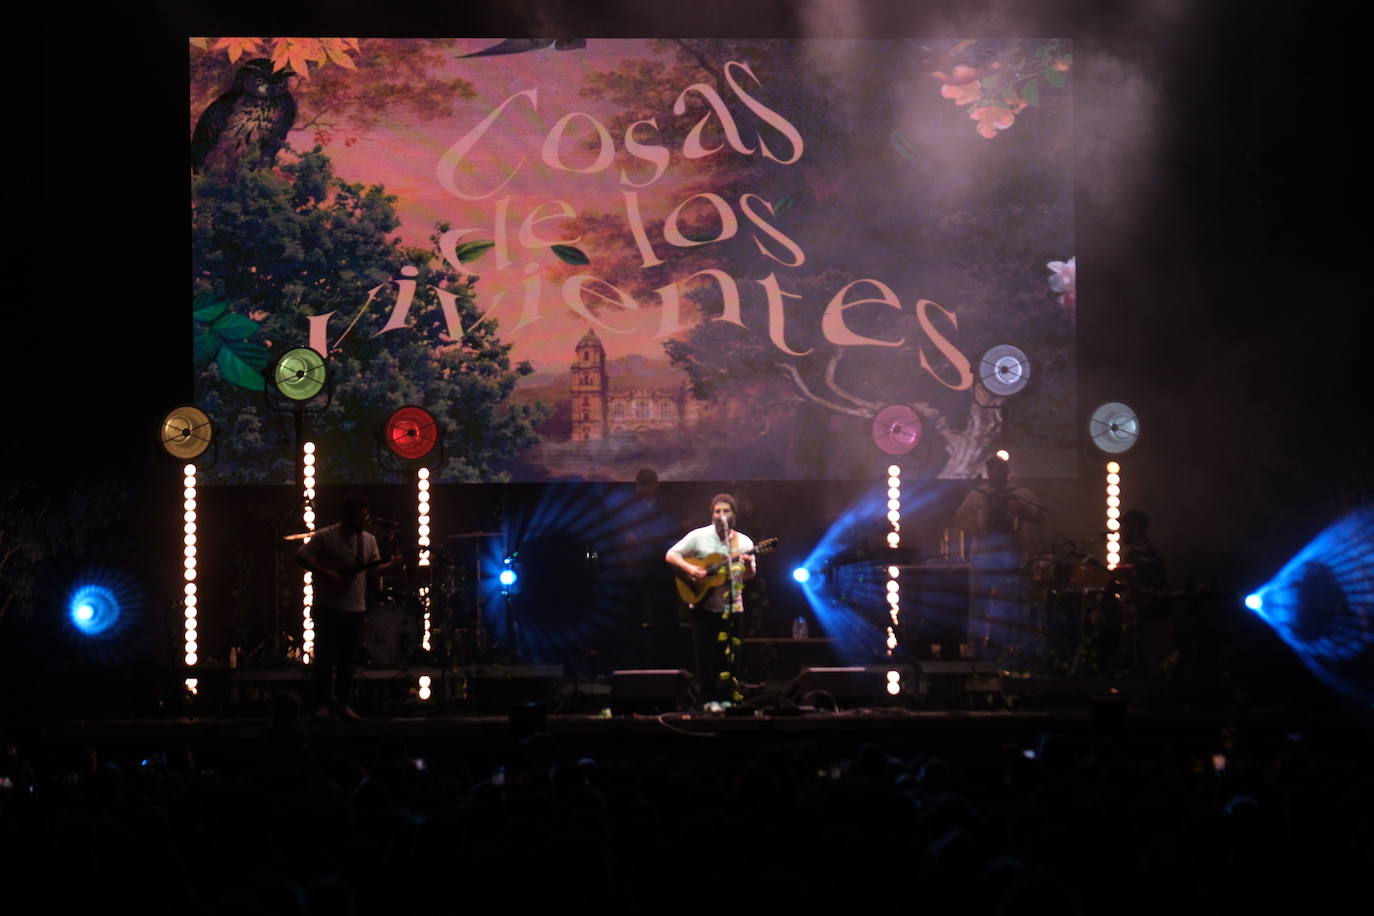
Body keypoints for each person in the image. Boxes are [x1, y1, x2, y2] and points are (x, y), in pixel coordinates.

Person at [294, 493, 403, 719]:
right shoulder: (326, 536)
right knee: (324, 658)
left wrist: (393, 565)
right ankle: (321, 704)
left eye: (366, 515)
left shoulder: (369, 540)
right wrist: (326, 573)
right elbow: (301, 555)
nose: (364, 520)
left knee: (347, 660)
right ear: (346, 515)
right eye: (360, 515)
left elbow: (373, 572)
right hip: (328, 606)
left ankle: (343, 704)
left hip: (356, 608)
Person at [954, 456, 1049, 660]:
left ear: (1006, 471)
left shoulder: (1022, 494)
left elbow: (1042, 517)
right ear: (988, 472)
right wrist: (977, 529)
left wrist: (1021, 509)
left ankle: (1006, 644)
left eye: (999, 469)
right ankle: (977, 645)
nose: (995, 473)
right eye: (992, 470)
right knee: (979, 603)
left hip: (1010, 556)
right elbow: (961, 517)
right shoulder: (977, 494)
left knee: (1008, 602)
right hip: (982, 558)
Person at [665, 493, 756, 704]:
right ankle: (707, 700)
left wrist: (749, 564)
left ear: (734, 514)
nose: (721, 515)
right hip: (703, 605)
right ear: (711, 514)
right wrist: (690, 569)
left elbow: (749, 575)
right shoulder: (699, 536)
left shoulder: (743, 542)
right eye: (717, 511)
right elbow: (671, 555)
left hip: (733, 607)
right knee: (705, 658)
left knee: (730, 657)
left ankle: (727, 700)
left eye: (726, 511)